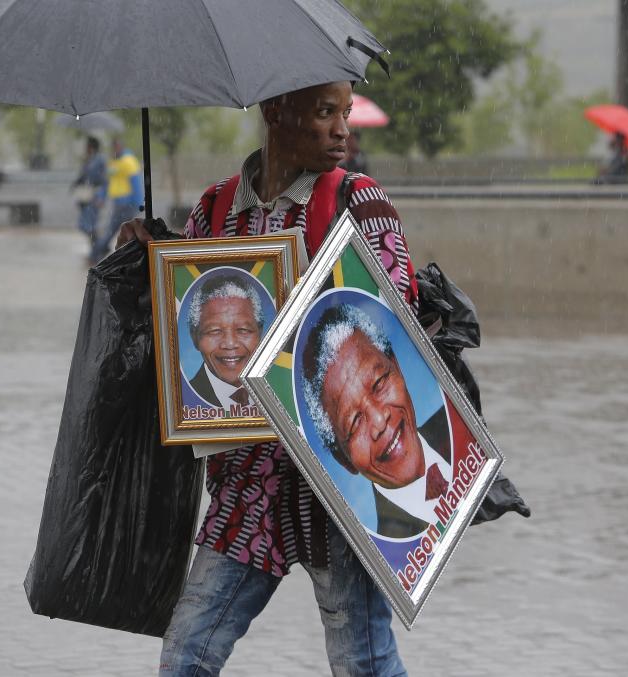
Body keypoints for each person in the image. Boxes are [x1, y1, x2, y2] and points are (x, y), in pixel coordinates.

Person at [119, 80, 417, 676]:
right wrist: (149, 257)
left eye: (345, 114)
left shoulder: (361, 204)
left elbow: (396, 318)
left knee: (363, 661)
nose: (342, 131)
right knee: (186, 655)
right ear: (276, 112)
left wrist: (310, 298)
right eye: (325, 113)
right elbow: (189, 314)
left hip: (337, 487)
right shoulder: (217, 208)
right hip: (246, 483)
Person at [302, 303, 452, 538]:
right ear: (344, 460)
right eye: (354, 422)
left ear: (398, 368)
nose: (380, 421)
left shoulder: (462, 430)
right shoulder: (387, 557)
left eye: (379, 383)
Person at [185, 274, 264, 410]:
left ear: (260, 332)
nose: (230, 343)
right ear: (195, 337)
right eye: (215, 331)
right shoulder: (181, 401)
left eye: (243, 330)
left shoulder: (282, 391)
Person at [88, 139, 143, 265]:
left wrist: (139, 203)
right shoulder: (113, 163)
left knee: (118, 230)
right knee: (120, 231)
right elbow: (108, 182)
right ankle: (100, 253)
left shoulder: (129, 162)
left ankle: (97, 253)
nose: (115, 150)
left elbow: (136, 184)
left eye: (117, 147)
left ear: (121, 147)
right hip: (118, 203)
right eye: (114, 148)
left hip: (128, 203)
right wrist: (101, 196)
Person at [71, 136, 108, 251]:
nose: (85, 148)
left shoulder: (100, 160)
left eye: (86, 146)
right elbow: (83, 176)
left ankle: (98, 248)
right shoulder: (89, 159)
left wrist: (102, 197)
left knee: (89, 225)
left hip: (95, 195)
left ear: (91, 147)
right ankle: (98, 247)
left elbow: (104, 180)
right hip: (86, 196)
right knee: (85, 225)